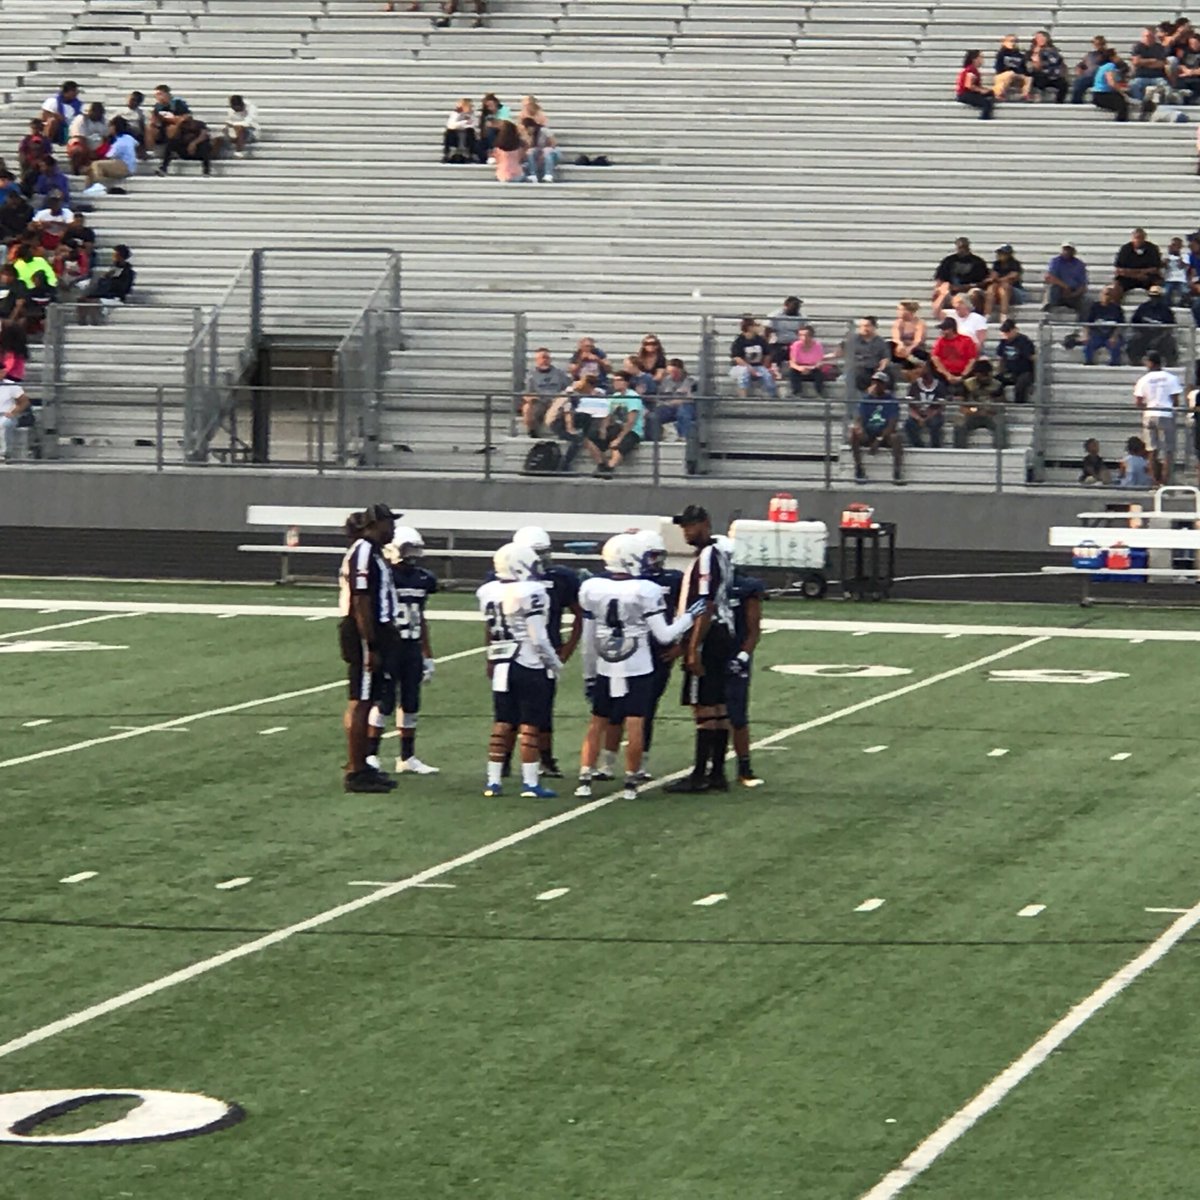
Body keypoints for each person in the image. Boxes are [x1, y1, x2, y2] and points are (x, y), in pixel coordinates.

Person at [574, 534, 701, 801]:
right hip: (638, 663)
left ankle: (585, 777)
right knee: (635, 723)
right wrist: (690, 617)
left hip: (607, 662)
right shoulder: (646, 589)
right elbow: (665, 636)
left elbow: (588, 639)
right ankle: (631, 780)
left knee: (597, 722)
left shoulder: (592, 587)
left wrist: (589, 674)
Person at [476, 541, 562, 799]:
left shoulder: (488, 591)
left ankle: (493, 782)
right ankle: (531, 783)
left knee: (502, 722)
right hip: (528, 661)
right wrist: (555, 663)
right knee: (530, 724)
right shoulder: (531, 591)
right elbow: (538, 637)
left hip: (502, 661)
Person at [663, 505, 737, 795]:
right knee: (716, 704)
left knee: (702, 705)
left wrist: (691, 647)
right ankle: (716, 772)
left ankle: (699, 774)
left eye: (691, 526)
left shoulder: (707, 557)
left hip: (708, 634)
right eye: (684, 526)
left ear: (705, 524)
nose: (686, 531)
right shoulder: (717, 554)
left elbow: (705, 604)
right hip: (718, 631)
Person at [367, 525, 440, 776]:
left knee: (411, 701)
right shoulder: (384, 576)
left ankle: (406, 757)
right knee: (384, 702)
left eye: (414, 549)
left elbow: (421, 617)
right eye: (407, 548)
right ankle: (370, 754)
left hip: (412, 645)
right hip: (390, 646)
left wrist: (427, 654)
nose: (412, 554)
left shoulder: (422, 578)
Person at [337, 504, 400, 794]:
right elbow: (361, 599)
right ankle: (356, 770)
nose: (394, 529)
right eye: (390, 523)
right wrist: (371, 642)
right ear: (376, 524)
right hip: (363, 631)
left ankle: (362, 765)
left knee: (368, 697)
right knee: (360, 700)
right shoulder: (363, 550)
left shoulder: (372, 551)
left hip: (373, 629)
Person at [513, 525, 582, 778]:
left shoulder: (561, 578)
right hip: (512, 652)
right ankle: (504, 761)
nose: (540, 559)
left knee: (542, 708)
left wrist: (567, 649)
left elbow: (579, 615)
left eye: (543, 552)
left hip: (545, 652)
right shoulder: (503, 580)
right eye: (535, 553)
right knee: (508, 710)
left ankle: (545, 759)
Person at [628, 529, 683, 782]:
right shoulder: (622, 581)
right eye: (651, 556)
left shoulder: (674, 579)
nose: (656, 562)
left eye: (659, 556)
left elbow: (686, 611)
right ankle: (604, 763)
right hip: (626, 652)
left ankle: (640, 762)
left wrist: (680, 646)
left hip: (659, 651)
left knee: (647, 707)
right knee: (610, 709)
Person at [710, 534, 765, 788]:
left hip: (734, 654)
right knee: (709, 712)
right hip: (711, 653)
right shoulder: (706, 583)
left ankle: (744, 767)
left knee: (737, 714)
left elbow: (754, 629)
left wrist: (743, 655)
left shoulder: (745, 586)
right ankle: (713, 766)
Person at [1133, 350, 1182, 485]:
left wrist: (1147, 407)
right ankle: (1166, 481)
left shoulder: (1143, 379)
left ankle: (1155, 482)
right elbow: (1175, 400)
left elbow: (1138, 401)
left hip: (1149, 414)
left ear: (1150, 363)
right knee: (1168, 451)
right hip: (1165, 413)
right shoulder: (1171, 378)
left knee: (1152, 450)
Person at [585, 369, 644, 477]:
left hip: (632, 430)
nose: (615, 383)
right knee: (590, 438)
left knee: (618, 446)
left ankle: (609, 468)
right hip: (616, 427)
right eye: (614, 380)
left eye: (619, 380)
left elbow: (631, 421)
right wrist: (603, 429)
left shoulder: (633, 397)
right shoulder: (614, 397)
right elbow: (608, 415)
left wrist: (619, 439)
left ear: (626, 382)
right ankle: (601, 465)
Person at [851, 370, 904, 485]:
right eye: (874, 382)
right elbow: (859, 418)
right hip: (869, 433)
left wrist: (879, 440)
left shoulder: (891, 400)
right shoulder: (866, 399)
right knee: (854, 433)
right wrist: (859, 428)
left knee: (896, 437)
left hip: (884, 434)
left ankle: (897, 472)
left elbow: (892, 423)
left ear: (885, 385)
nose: (876, 385)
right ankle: (859, 469)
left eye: (879, 383)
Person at [932, 236, 989, 316]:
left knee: (975, 293)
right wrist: (939, 289)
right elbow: (940, 278)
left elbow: (984, 282)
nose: (962, 249)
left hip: (969, 290)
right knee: (940, 292)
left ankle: (976, 316)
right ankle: (939, 315)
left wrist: (966, 287)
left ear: (968, 247)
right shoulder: (949, 260)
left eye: (964, 247)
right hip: (952, 291)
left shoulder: (977, 262)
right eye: (960, 247)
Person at [82, 116, 138, 195]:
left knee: (96, 164)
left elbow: (108, 157)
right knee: (91, 170)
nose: (109, 128)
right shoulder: (129, 137)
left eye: (110, 126)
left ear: (115, 127)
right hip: (129, 166)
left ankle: (99, 186)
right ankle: (88, 190)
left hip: (125, 167)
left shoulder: (119, 142)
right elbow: (137, 145)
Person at [521, 346, 571, 434]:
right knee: (527, 408)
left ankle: (562, 431)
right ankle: (532, 431)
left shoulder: (559, 374)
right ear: (537, 360)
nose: (544, 360)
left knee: (565, 404)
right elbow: (527, 393)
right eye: (541, 358)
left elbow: (568, 389)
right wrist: (531, 398)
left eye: (546, 357)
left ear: (550, 359)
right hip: (540, 401)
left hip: (556, 401)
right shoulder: (531, 376)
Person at [956, 360, 1005, 448]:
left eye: (987, 375)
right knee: (959, 424)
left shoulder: (997, 385)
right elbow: (962, 408)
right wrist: (976, 411)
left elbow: (1001, 406)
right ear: (976, 374)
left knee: (1000, 423)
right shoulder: (967, 384)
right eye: (982, 375)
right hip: (972, 414)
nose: (985, 378)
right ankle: (960, 450)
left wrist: (991, 410)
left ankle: (1000, 450)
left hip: (991, 414)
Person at [729, 317, 777, 396]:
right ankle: (743, 397)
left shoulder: (760, 340)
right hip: (740, 367)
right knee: (744, 373)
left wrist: (764, 366)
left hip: (758, 366)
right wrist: (750, 369)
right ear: (750, 327)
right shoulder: (739, 341)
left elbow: (767, 354)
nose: (759, 328)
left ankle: (772, 396)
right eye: (756, 326)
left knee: (767, 375)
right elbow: (737, 358)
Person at [1128, 286, 1176, 365]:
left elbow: (1170, 326)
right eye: (1152, 296)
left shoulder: (1165, 309)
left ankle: (1170, 363)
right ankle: (1136, 362)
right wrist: (1140, 332)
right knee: (1134, 340)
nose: (1154, 299)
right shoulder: (1143, 307)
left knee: (1169, 342)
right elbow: (1134, 322)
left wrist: (1159, 337)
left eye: (1156, 297)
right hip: (1144, 334)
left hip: (1161, 336)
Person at [930, 316, 978, 392]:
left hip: (963, 373)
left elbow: (971, 360)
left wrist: (963, 375)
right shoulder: (940, 341)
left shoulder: (966, 340)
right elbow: (935, 358)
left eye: (944, 329)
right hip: (945, 374)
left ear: (951, 329)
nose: (942, 331)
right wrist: (947, 374)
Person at [1080, 285, 1126, 366]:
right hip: (1097, 334)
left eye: (1110, 294)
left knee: (1116, 345)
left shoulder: (1116, 308)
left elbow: (1120, 325)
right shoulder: (1093, 307)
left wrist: (1114, 337)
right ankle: (1089, 362)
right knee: (1088, 344)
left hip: (1110, 334)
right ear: (1101, 294)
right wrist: (1085, 335)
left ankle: (1114, 364)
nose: (1107, 296)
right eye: (1106, 294)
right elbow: (1086, 323)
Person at [844, 315, 891, 393]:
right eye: (861, 326)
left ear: (874, 327)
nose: (864, 328)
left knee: (889, 375)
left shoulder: (880, 341)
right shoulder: (853, 340)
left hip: (875, 368)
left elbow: (885, 357)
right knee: (859, 374)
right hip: (860, 367)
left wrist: (882, 367)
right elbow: (841, 352)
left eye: (867, 326)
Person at [653, 358, 697, 441]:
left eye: (674, 372)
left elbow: (692, 398)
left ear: (681, 370)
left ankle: (683, 437)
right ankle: (655, 437)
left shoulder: (691, 381)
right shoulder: (666, 381)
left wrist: (679, 401)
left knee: (683, 412)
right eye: (669, 372)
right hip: (669, 406)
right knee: (654, 414)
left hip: (685, 406)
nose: (672, 374)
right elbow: (660, 397)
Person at [905, 361, 947, 447]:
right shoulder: (915, 385)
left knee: (935, 423)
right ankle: (918, 445)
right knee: (909, 424)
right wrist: (918, 417)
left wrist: (928, 417)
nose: (919, 370)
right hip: (918, 414)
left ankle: (935, 446)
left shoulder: (939, 385)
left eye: (922, 368)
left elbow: (940, 407)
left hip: (933, 414)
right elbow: (910, 405)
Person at [1113, 228, 1163, 299]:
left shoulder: (1152, 248)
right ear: (1133, 238)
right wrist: (1138, 274)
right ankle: (1115, 307)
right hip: (1128, 278)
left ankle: (1155, 307)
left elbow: (1155, 268)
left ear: (1145, 238)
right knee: (1116, 287)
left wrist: (1141, 273)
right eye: (1137, 238)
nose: (1139, 240)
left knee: (1157, 286)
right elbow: (1119, 269)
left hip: (1148, 277)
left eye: (1141, 238)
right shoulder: (1125, 249)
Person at [995, 318, 1036, 403]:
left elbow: (1031, 357)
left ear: (1014, 330)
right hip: (1009, 371)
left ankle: (1018, 405)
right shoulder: (1003, 342)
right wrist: (999, 371)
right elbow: (1001, 358)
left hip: (1024, 371)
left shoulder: (1024, 341)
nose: (1007, 335)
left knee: (1020, 385)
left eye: (1008, 332)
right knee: (995, 382)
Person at [1044, 241, 1089, 316]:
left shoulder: (1079, 264)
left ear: (1074, 251)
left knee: (1087, 301)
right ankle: (1049, 310)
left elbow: (1083, 285)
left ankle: (1083, 323)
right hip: (1058, 290)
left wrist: (1072, 294)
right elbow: (1049, 277)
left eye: (1069, 249)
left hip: (1074, 292)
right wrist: (1065, 286)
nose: (1067, 252)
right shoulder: (1055, 261)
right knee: (1052, 288)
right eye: (1065, 249)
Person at [1128, 25, 1169, 102]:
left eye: (1150, 36)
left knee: (1166, 86)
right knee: (1133, 85)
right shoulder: (1138, 47)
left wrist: (1143, 62)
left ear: (1154, 36)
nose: (1147, 38)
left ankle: (1165, 104)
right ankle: (1140, 102)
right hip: (1141, 76)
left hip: (1157, 77)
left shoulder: (1160, 48)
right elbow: (1136, 62)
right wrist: (1152, 61)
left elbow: (1161, 64)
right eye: (1145, 36)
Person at [788, 323, 830, 396]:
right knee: (792, 372)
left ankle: (820, 392)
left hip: (813, 368)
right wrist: (800, 368)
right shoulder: (795, 345)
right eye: (801, 335)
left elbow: (819, 363)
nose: (803, 338)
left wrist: (810, 368)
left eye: (806, 335)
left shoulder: (817, 346)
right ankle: (797, 392)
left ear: (811, 336)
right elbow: (792, 362)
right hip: (800, 368)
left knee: (819, 374)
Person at [146, 85, 190, 155]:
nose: (157, 97)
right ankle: (151, 150)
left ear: (167, 94)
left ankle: (173, 150)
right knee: (149, 127)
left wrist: (172, 119)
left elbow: (186, 117)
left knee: (172, 128)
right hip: (162, 125)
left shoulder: (177, 103)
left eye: (159, 94)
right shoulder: (158, 106)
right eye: (156, 95)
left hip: (176, 125)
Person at [986, 245, 1026, 321]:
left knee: (1005, 287)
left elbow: (1012, 277)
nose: (999, 255)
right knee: (991, 288)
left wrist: (999, 280)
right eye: (999, 253)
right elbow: (993, 276)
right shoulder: (996, 264)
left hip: (1015, 291)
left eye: (1002, 253)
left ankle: (1004, 314)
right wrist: (996, 279)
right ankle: (988, 314)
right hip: (999, 289)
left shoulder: (1015, 264)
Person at [66, 102, 106, 175]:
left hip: (98, 147)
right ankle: (76, 171)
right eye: (96, 112)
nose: (98, 115)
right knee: (77, 150)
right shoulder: (81, 119)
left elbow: (106, 137)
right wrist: (89, 152)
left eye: (100, 113)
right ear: (91, 111)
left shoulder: (104, 121)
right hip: (83, 146)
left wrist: (101, 149)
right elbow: (79, 138)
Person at [1091, 48, 1130, 122]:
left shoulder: (1103, 66)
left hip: (1098, 94)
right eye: (1116, 55)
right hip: (1102, 94)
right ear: (1111, 57)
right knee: (1122, 105)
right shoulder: (1110, 66)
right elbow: (1111, 82)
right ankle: (1120, 122)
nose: (1118, 57)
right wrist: (1122, 92)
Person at [1029, 31, 1068, 102]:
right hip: (1041, 75)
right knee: (1037, 78)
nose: (1041, 39)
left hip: (1054, 75)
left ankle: (1059, 103)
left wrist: (1062, 72)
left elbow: (1060, 63)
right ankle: (1037, 99)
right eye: (1038, 38)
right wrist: (1036, 53)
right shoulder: (1032, 51)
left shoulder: (1054, 51)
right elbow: (1035, 67)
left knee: (1064, 84)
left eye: (1042, 37)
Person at [956, 50, 996, 119]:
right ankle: (984, 118)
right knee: (987, 103)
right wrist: (981, 90)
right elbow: (969, 85)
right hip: (965, 94)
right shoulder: (970, 69)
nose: (982, 60)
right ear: (974, 59)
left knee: (990, 94)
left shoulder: (974, 70)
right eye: (981, 57)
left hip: (969, 93)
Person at [41, 81, 82, 146]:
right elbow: (43, 117)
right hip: (58, 130)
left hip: (71, 129)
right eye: (74, 91)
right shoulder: (53, 101)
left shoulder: (78, 104)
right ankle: (46, 145)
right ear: (67, 92)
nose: (76, 93)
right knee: (52, 121)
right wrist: (57, 116)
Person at [890, 300, 928, 370]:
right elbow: (896, 338)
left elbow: (918, 340)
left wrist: (909, 348)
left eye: (901, 310)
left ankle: (911, 363)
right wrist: (900, 344)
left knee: (917, 353)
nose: (898, 312)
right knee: (889, 345)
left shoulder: (920, 323)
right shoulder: (898, 322)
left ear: (909, 311)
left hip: (915, 349)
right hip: (901, 349)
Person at [993, 34, 1033, 100]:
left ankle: (1025, 95)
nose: (1013, 43)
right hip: (1003, 75)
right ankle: (999, 94)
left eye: (1015, 41)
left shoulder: (1020, 56)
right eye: (1010, 41)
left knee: (1029, 78)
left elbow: (1024, 69)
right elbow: (999, 68)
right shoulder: (1001, 54)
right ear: (1004, 42)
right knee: (1009, 74)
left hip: (1016, 76)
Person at [767, 296, 804, 366]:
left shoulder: (802, 316)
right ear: (786, 305)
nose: (796, 308)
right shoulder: (775, 315)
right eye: (794, 305)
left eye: (798, 306)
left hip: (796, 344)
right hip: (778, 343)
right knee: (774, 355)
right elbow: (767, 329)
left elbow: (806, 329)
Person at [0, 376, 30, 462]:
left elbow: (24, 401)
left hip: (6, 414)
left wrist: (13, 412)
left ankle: (4, 454)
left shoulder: (11, 385)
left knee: (3, 424)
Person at [521, 118, 560, 183]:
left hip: (552, 152)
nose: (527, 131)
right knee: (530, 151)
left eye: (527, 129)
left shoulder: (544, 130)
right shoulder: (530, 135)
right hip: (539, 153)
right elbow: (529, 148)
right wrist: (528, 138)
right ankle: (533, 175)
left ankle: (548, 174)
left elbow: (553, 143)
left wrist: (543, 154)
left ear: (531, 127)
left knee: (546, 150)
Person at [1072, 35, 1109, 103]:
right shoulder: (1090, 55)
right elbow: (1081, 65)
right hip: (1088, 77)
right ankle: (1076, 103)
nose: (1097, 46)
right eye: (1095, 44)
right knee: (1079, 82)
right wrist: (1079, 70)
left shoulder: (1107, 54)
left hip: (1101, 77)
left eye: (1100, 44)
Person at [442, 97, 476, 163]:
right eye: (469, 106)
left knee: (470, 131)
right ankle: (449, 153)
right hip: (455, 132)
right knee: (450, 132)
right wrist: (464, 123)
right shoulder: (456, 113)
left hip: (466, 132)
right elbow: (450, 125)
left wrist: (461, 125)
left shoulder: (472, 114)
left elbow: (473, 125)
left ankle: (470, 154)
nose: (470, 108)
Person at [1164, 236, 1188, 308]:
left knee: (1184, 291)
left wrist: (1179, 257)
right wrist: (1166, 261)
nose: (1173, 247)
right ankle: (1168, 304)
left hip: (1181, 279)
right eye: (1173, 245)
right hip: (1169, 279)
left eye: (1176, 245)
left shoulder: (1185, 255)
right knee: (1166, 292)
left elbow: (1183, 266)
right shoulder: (1167, 256)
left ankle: (1182, 304)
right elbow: (1164, 267)